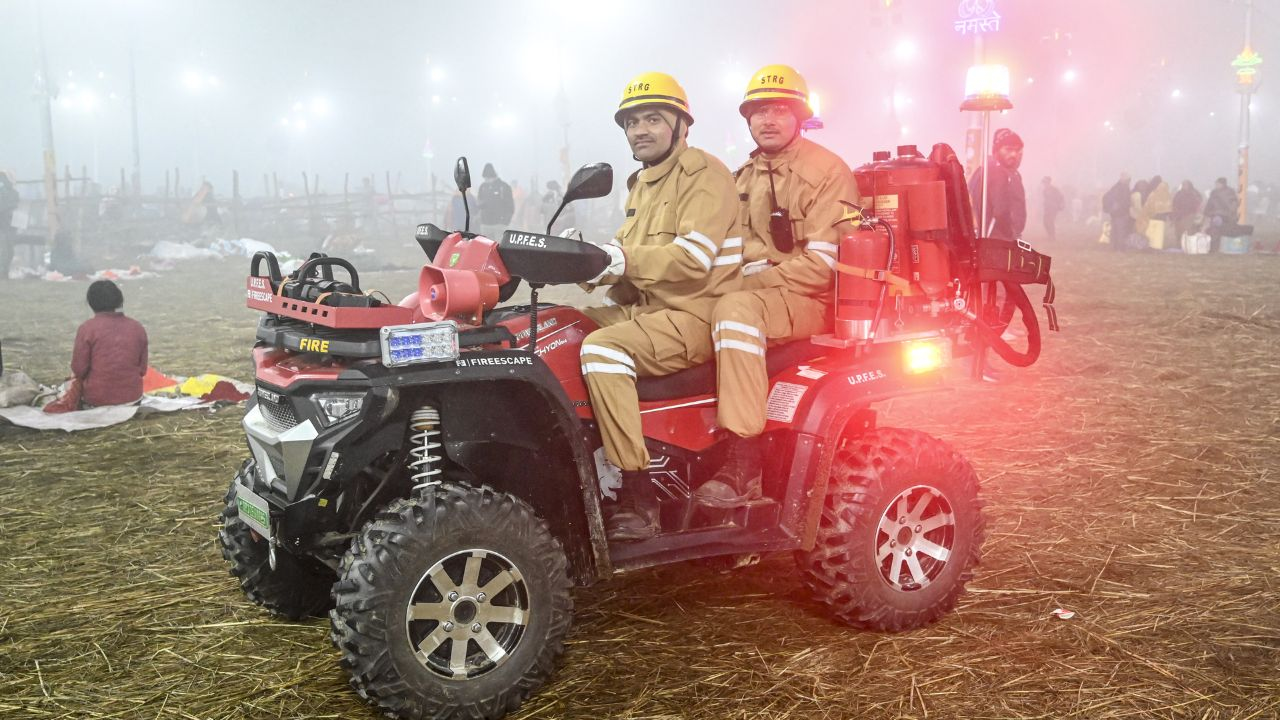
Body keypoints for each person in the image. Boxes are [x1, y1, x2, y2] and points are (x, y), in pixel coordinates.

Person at [577, 71, 741, 540]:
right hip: (648, 311)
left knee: (602, 351)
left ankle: (636, 491)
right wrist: (585, 262)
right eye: (631, 122)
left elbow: (692, 260)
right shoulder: (642, 184)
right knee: (557, 327)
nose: (640, 130)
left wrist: (618, 259)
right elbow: (628, 267)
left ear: (680, 125)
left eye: (652, 118)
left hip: (697, 313)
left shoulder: (705, 175)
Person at [695, 64, 853, 508]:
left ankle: (744, 459)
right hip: (756, 292)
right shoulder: (740, 177)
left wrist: (747, 281)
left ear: (799, 116)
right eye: (759, 110)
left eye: (780, 109)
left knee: (734, 312)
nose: (768, 120)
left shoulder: (827, 172)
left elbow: (822, 266)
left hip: (809, 300)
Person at [71, 280, 148, 407]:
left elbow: (79, 369)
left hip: (96, 401)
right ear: (120, 301)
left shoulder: (87, 329)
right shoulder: (137, 327)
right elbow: (142, 370)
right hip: (132, 399)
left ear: (91, 303)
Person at [968, 128, 1025, 240]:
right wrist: (1010, 234)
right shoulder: (998, 172)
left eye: (1018, 150)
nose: (1014, 154)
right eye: (1008, 149)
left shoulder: (983, 170)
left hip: (988, 238)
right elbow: (1001, 210)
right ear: (996, 150)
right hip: (999, 239)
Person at [476, 163, 514, 240]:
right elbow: (479, 202)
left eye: (487, 178)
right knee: (485, 249)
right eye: (485, 178)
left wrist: (505, 221)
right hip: (485, 225)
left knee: (499, 249)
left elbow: (511, 206)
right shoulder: (483, 187)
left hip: (500, 225)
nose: (486, 180)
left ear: (493, 176)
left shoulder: (504, 187)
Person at [1204, 177, 1239, 252]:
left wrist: (1231, 214)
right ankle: (1214, 248)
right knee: (1214, 231)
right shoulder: (1214, 192)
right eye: (1216, 184)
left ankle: (1221, 248)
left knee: (1222, 231)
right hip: (1216, 215)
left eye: (1218, 184)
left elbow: (1234, 205)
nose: (1216, 185)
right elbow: (1210, 203)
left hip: (1225, 216)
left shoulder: (1229, 192)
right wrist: (1207, 212)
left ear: (1223, 184)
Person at [1102, 173, 1133, 250]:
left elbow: (1106, 196)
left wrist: (1111, 208)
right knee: (1121, 231)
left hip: (1115, 214)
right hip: (1121, 213)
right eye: (1128, 180)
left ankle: (1114, 247)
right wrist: (1118, 206)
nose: (1129, 182)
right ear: (1125, 180)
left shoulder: (1115, 187)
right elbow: (1125, 201)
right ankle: (1120, 248)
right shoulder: (1123, 188)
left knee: (1115, 231)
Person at [0, 170, 18, 281]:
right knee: (5, 249)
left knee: (9, 249)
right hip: (4, 225)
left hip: (10, 225)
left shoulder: (14, 193)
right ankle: (3, 271)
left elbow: (15, 205)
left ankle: (4, 270)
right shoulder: (3, 192)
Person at [1041, 176, 1064, 242]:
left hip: (1053, 208)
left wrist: (1060, 205)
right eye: (1044, 182)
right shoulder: (1044, 190)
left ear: (1049, 182)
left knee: (1050, 222)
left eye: (1045, 182)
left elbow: (1060, 196)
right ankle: (1050, 235)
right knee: (1045, 222)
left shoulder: (1054, 189)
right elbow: (1046, 199)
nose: (1044, 184)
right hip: (1047, 208)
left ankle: (1052, 236)